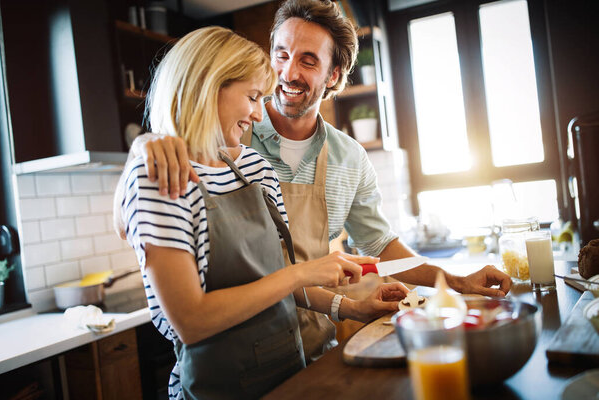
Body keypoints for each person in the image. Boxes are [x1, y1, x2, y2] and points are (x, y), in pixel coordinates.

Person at [126, 0, 513, 362]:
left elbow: (379, 245)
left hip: (311, 346)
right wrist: (142, 148)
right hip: (228, 355)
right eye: (281, 54)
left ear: (335, 75)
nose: (288, 72)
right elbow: (138, 215)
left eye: (308, 61)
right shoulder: (227, 138)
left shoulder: (348, 157)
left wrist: (456, 281)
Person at [114, 26, 409, 400]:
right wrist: (301, 271)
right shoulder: (161, 176)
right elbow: (191, 321)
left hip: (291, 375)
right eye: (252, 96)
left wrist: (353, 307)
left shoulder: (254, 167)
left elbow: (278, 281)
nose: (258, 114)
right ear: (208, 86)